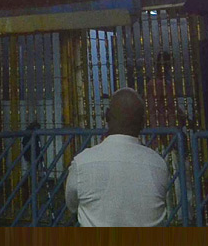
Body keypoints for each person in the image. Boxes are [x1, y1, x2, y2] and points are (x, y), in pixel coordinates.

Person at [64, 89, 169, 226]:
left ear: (107, 115)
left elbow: (72, 205)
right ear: (143, 123)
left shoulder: (83, 163)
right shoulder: (159, 165)